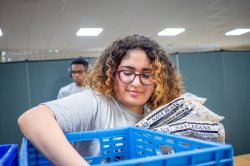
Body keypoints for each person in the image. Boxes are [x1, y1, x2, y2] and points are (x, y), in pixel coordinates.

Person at [18, 34, 183, 166]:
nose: (136, 82)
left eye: (147, 75)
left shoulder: (155, 115)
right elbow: (32, 119)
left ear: (159, 80)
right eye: (127, 72)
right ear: (111, 74)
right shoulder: (97, 102)